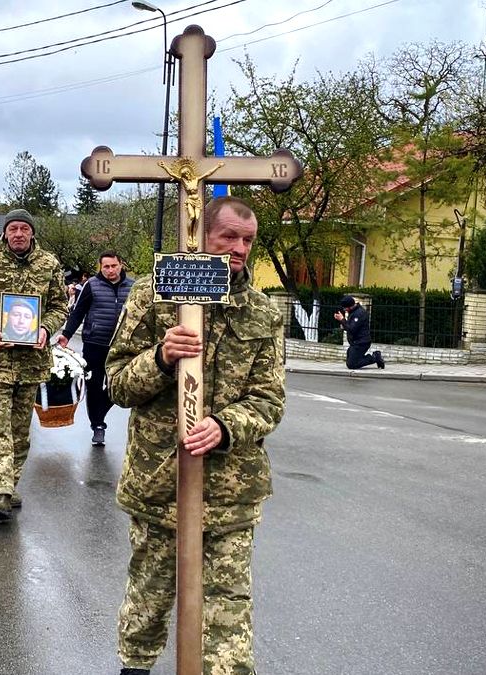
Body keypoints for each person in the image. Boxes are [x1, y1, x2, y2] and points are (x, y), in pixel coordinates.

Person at [106, 196, 285, 675]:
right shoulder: (154, 294)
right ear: (198, 234)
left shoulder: (263, 313)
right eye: (228, 236)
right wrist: (161, 358)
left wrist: (226, 426)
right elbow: (116, 383)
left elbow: (270, 401)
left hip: (231, 492)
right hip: (160, 482)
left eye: (247, 239)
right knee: (148, 600)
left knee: (228, 619)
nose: (239, 248)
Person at [0, 209, 68, 521]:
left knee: (20, 429)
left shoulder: (49, 264)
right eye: (12, 229)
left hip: (32, 362)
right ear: (5, 233)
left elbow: (61, 305)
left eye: (23, 228)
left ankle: (12, 481)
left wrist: (46, 328)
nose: (18, 234)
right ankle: (1, 490)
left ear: (32, 233)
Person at [58, 250, 134, 446]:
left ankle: (99, 412)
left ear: (121, 264)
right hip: (95, 344)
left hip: (121, 346)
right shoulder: (92, 285)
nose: (110, 270)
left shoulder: (132, 286)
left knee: (119, 386)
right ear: (100, 267)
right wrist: (66, 335)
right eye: (106, 266)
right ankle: (98, 426)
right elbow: (78, 312)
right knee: (93, 386)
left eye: (113, 266)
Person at [334, 295, 384, 369]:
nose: (344, 310)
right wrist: (343, 324)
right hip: (355, 342)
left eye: (345, 308)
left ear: (350, 306)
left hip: (361, 342)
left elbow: (352, 329)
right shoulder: (354, 312)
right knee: (350, 362)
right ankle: (361, 358)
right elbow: (350, 326)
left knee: (352, 365)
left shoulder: (359, 313)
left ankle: (375, 357)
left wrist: (342, 319)